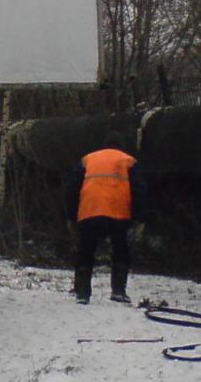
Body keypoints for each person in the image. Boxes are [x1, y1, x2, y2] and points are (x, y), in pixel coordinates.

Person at [65, 130, 148, 305]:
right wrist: (139, 219)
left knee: (86, 249)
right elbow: (140, 191)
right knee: (120, 249)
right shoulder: (129, 161)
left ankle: (82, 292)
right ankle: (118, 291)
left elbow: (72, 189)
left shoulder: (87, 159)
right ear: (121, 145)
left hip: (90, 210)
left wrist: (71, 217)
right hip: (119, 213)